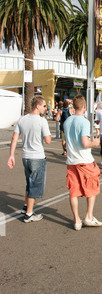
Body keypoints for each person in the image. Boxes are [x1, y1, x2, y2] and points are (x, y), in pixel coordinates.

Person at [7, 95, 51, 223]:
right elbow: (48, 140)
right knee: (35, 185)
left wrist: (11, 155)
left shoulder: (22, 120)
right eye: (44, 106)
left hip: (25, 156)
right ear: (37, 106)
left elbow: (14, 138)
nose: (45, 108)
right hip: (37, 156)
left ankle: (26, 206)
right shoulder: (42, 121)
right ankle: (29, 214)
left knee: (29, 182)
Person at [63, 95, 102, 231]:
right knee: (91, 188)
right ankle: (89, 217)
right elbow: (85, 143)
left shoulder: (67, 121)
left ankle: (77, 220)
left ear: (74, 106)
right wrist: (95, 143)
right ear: (84, 107)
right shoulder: (84, 122)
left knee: (74, 191)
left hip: (71, 161)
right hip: (84, 160)